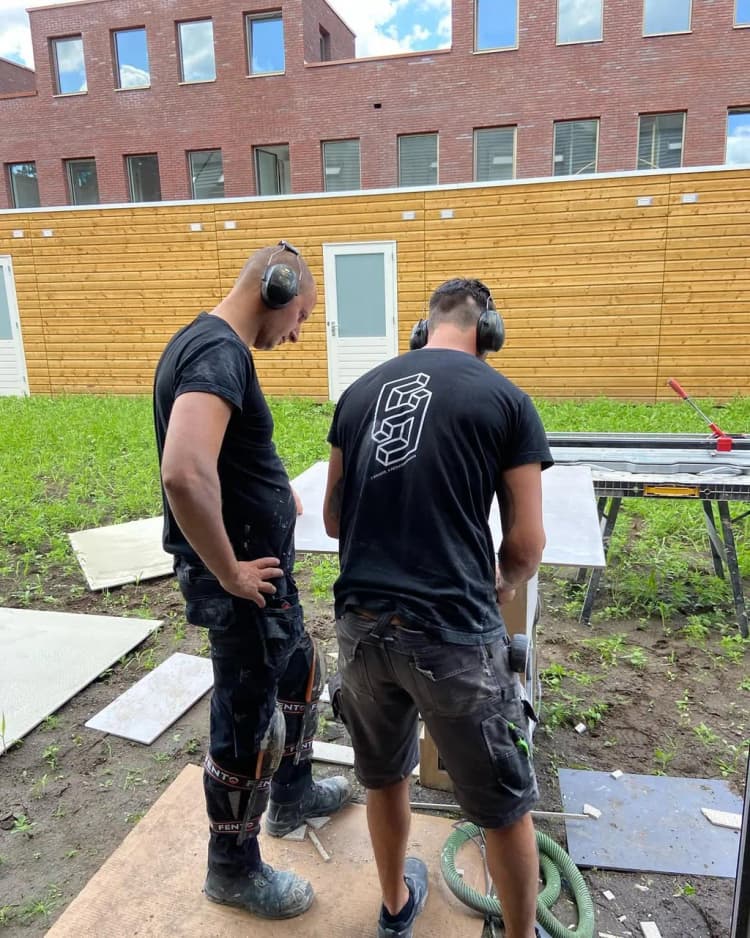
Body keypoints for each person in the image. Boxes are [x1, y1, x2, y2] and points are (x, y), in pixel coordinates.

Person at [322, 277, 552, 938]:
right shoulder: (506, 399)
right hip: (452, 635)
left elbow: (335, 519)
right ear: (488, 332)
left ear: (423, 329)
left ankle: (395, 906)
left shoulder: (359, 393)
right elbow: (527, 542)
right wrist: (504, 582)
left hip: (362, 628)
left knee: (384, 776)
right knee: (503, 805)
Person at [153, 241, 352, 920]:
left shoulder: (209, 345)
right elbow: (184, 472)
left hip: (261, 579)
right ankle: (232, 869)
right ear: (276, 291)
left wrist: (272, 489)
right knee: (247, 723)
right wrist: (230, 570)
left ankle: (292, 795)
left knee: (300, 669)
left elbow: (223, 455)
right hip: (243, 585)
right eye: (301, 317)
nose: (296, 334)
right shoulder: (219, 353)